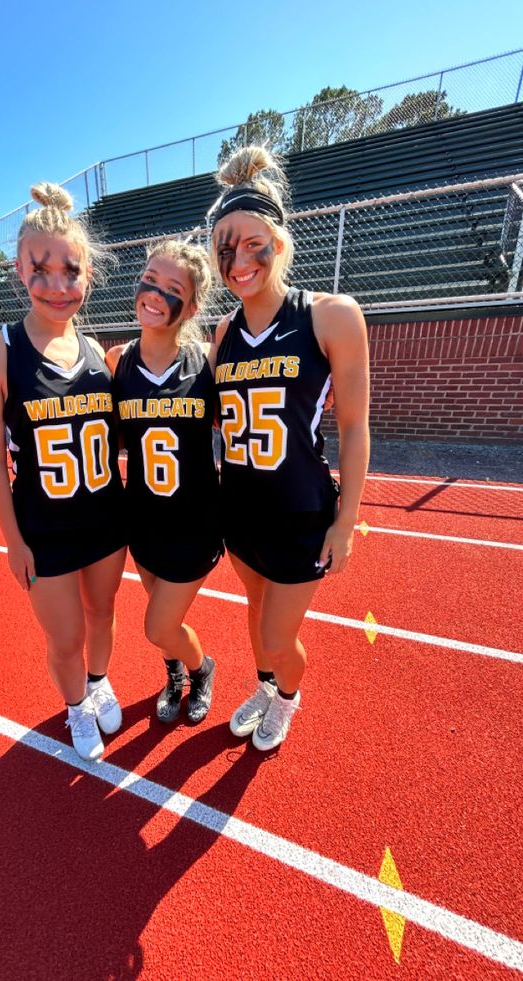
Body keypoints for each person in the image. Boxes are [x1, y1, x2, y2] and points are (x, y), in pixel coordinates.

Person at [209, 146, 370, 751]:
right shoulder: (224, 333)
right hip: (241, 508)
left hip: (302, 511)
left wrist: (347, 519)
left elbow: (355, 427)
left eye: (253, 244)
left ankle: (288, 696)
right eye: (226, 249)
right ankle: (265, 685)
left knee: (280, 635)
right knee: (254, 613)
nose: (240, 261)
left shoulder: (330, 315)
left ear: (278, 241)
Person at [0, 183, 127, 761]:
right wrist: (13, 541)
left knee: (103, 613)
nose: (58, 286)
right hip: (46, 528)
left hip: (106, 520)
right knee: (66, 638)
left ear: (88, 274)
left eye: (71, 271)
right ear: (19, 268)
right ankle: (75, 709)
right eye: (42, 269)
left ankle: (100, 680)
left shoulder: (101, 355)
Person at [106, 240, 221, 725]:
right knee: (162, 618)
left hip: (194, 523)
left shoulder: (207, 363)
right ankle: (173, 675)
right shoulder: (116, 362)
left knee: (158, 625)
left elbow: (239, 426)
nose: (154, 293)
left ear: (191, 306)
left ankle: (202, 669)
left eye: (172, 288)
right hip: (143, 521)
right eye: (150, 279)